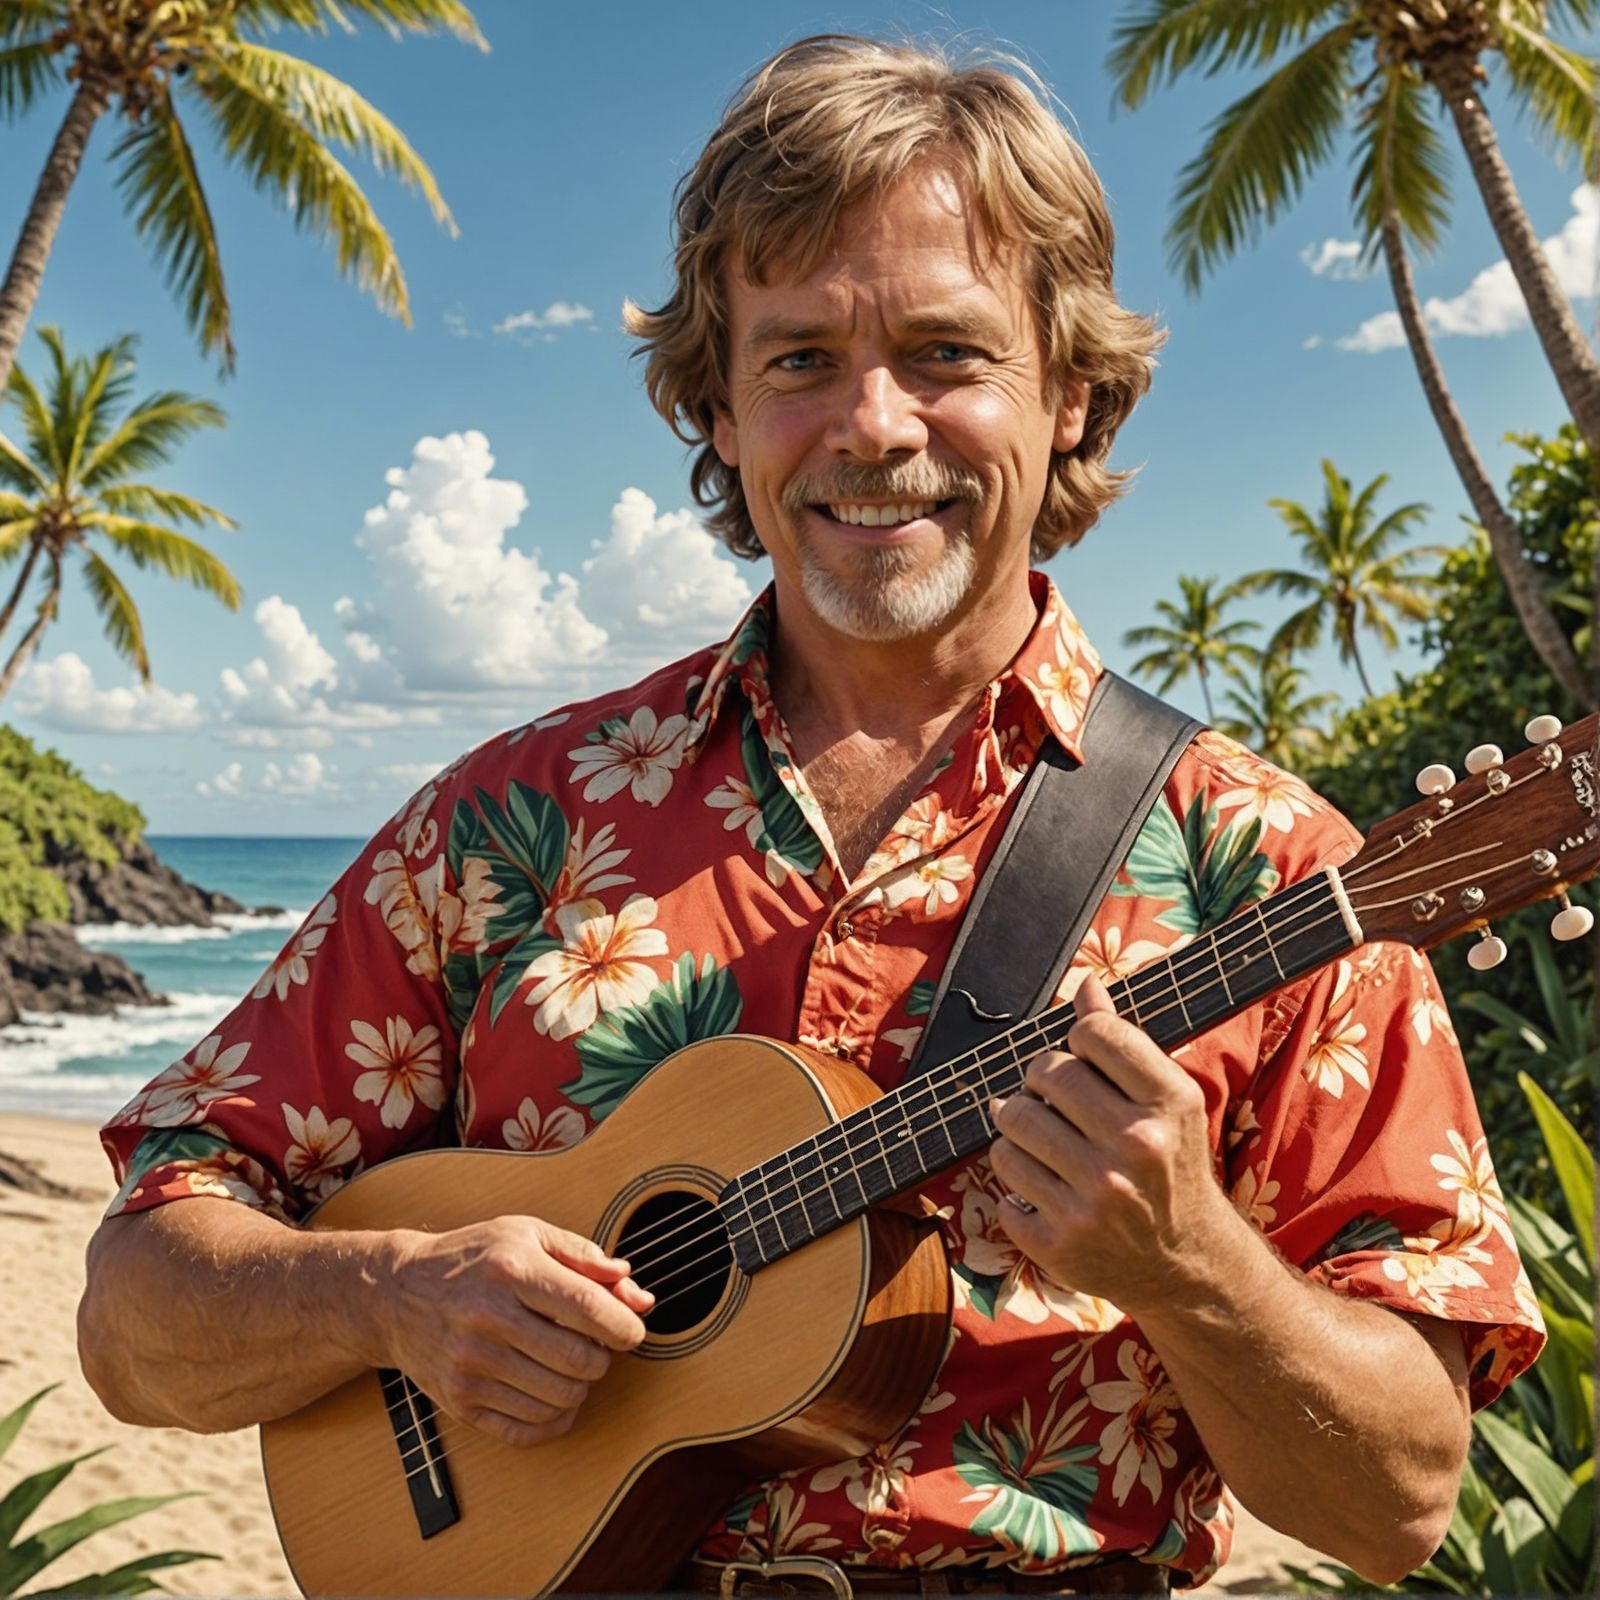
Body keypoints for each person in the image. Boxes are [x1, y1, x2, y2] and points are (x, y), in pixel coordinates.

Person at [78, 33, 1542, 1596]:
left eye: (947, 355)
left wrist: (1190, 1269)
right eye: (798, 361)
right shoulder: (509, 826)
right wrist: (387, 1292)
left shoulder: (1275, 872)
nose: (872, 424)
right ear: (716, 409)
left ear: (1077, 401)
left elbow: (1401, 1506)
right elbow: (134, 1317)